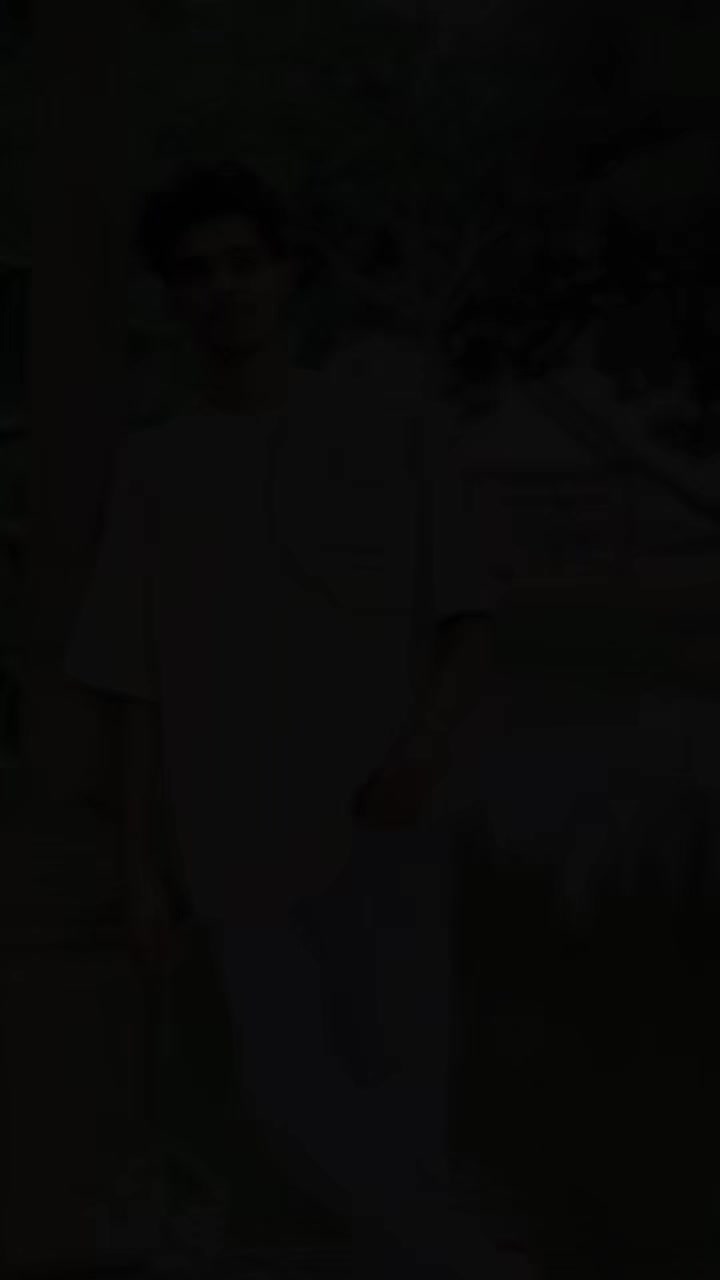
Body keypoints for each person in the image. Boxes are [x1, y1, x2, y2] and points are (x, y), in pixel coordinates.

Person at [65, 165, 533, 1278]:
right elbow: (133, 685)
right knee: (287, 1098)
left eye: (244, 264)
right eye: (195, 274)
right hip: (237, 844)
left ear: (286, 275)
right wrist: (140, 874)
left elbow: (471, 617)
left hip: (386, 827)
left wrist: (421, 753)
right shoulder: (158, 468)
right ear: (174, 298)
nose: (224, 290)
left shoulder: (390, 432)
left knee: (404, 1115)